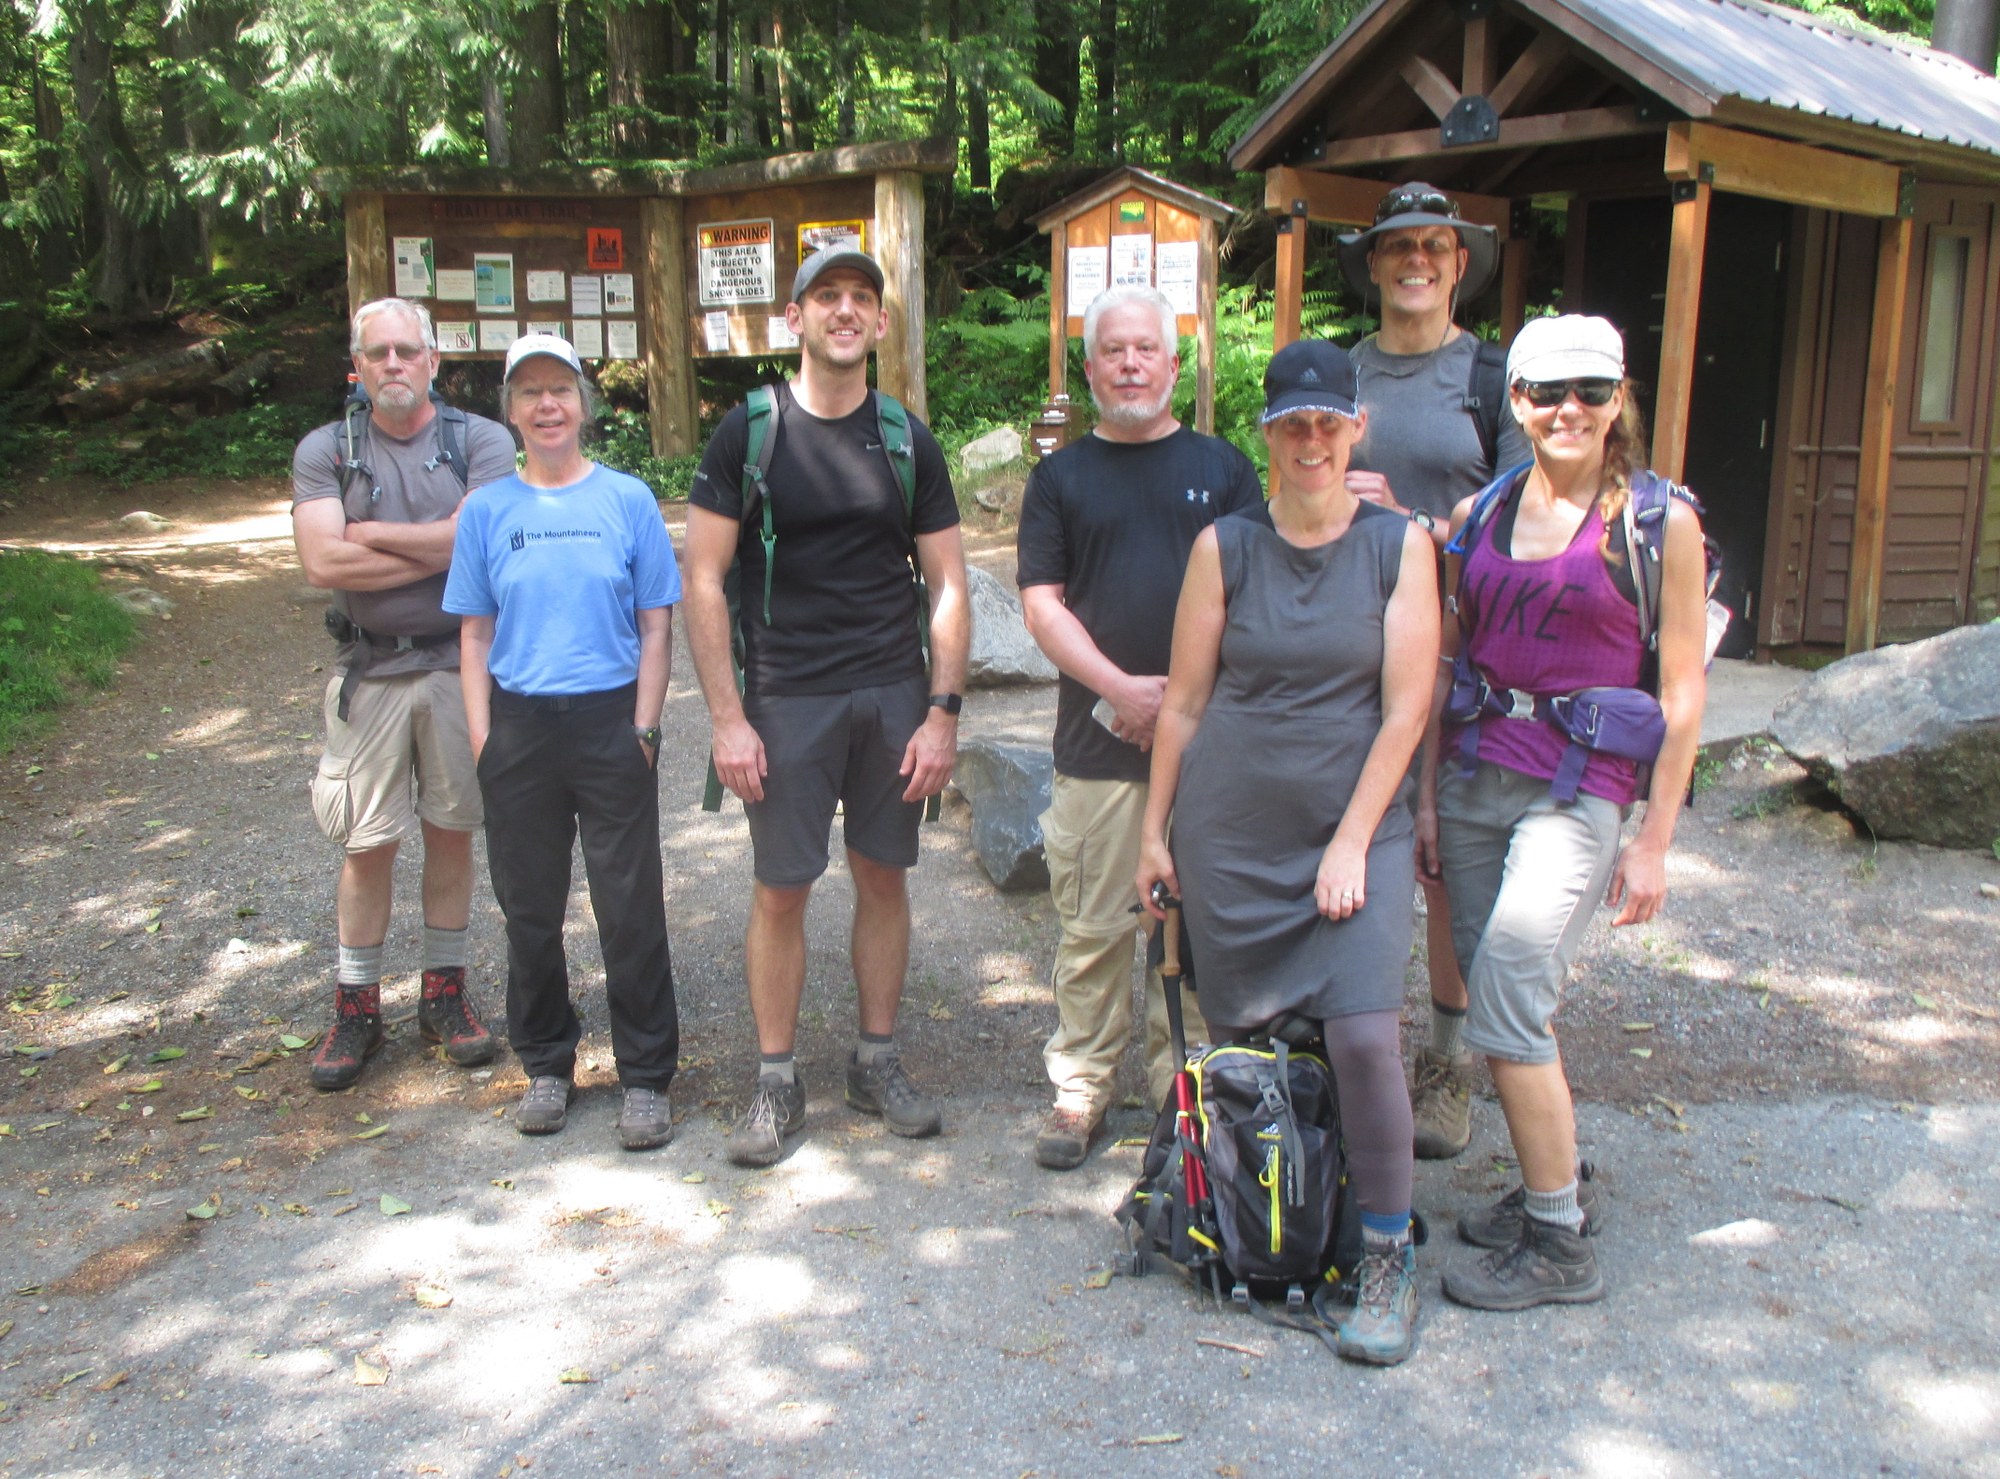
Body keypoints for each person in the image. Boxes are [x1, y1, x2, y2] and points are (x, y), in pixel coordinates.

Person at [1137, 339, 1441, 1366]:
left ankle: (1386, 1257)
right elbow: (1183, 703)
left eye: (1328, 423)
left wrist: (1352, 840)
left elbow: (1405, 711)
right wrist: (1152, 833)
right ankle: (1264, 1224)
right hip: (1231, 833)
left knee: (1360, 1039)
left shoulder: (1400, 547)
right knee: (1248, 1050)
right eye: (1291, 424)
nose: (1311, 440)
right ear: (1265, 435)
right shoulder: (1224, 546)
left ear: (1357, 428)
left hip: (1357, 829)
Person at [1424, 316, 1707, 1310]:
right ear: (1517, 401)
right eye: (1547, 392)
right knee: (1498, 993)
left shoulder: (1658, 525)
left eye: (1590, 390)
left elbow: (1683, 690)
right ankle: (1553, 1180)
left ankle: (1557, 1242)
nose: (1568, 410)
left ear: (1619, 398)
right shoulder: (1482, 512)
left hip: (1577, 793)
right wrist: (1425, 799)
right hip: (1472, 780)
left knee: (1506, 996)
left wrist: (1653, 840)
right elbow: (1449, 657)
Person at [684, 247, 970, 1169]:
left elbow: (948, 583)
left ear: (881, 322)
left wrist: (942, 713)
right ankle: (776, 1080)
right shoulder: (749, 432)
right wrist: (727, 718)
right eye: (826, 296)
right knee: (781, 888)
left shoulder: (906, 438)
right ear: (795, 318)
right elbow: (702, 577)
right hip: (785, 696)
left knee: (884, 876)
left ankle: (875, 1061)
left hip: (892, 694)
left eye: (861, 298)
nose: (845, 310)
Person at [1016, 285, 1262, 1170]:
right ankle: (1081, 1085)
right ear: (1089, 369)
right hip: (1097, 748)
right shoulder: (1059, 479)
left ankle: (1181, 1086)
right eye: (1112, 351)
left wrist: (1185, 704)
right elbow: (1042, 606)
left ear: (1174, 362)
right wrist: (1121, 688)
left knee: (1190, 933)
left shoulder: (1224, 470)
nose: (1129, 364)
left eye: (1145, 349)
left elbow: (1253, 597)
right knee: (1092, 929)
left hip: (1205, 754)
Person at [443, 333, 682, 1151]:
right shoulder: (487, 511)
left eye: (560, 389)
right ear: (509, 410)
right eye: (529, 392)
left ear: (584, 403)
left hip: (612, 720)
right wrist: (484, 735)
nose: (547, 405)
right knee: (530, 908)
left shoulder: (628, 499)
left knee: (629, 904)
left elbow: (657, 625)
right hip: (518, 726)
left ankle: (645, 1075)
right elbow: (474, 633)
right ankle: (547, 1061)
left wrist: (645, 726)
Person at [1336, 182, 1534, 1161]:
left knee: (1444, 856)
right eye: (1398, 246)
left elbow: (1521, 525)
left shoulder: (1492, 378)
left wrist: (1408, 523)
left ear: (1459, 265)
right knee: (1343, 839)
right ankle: (1342, 1040)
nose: (1416, 260)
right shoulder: (1339, 371)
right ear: (1373, 264)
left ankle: (1447, 1061)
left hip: (1465, 655)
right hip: (1347, 650)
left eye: (1434, 246)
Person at [291, 297, 518, 1091]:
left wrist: (369, 534)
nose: (393, 363)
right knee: (367, 842)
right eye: (377, 352)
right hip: (371, 668)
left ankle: (443, 995)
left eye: (407, 350)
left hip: (461, 666)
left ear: (433, 361)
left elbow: (479, 541)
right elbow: (322, 563)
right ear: (356, 367)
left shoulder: (480, 441)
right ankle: (356, 1006)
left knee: (453, 829)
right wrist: (442, 548)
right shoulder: (327, 449)